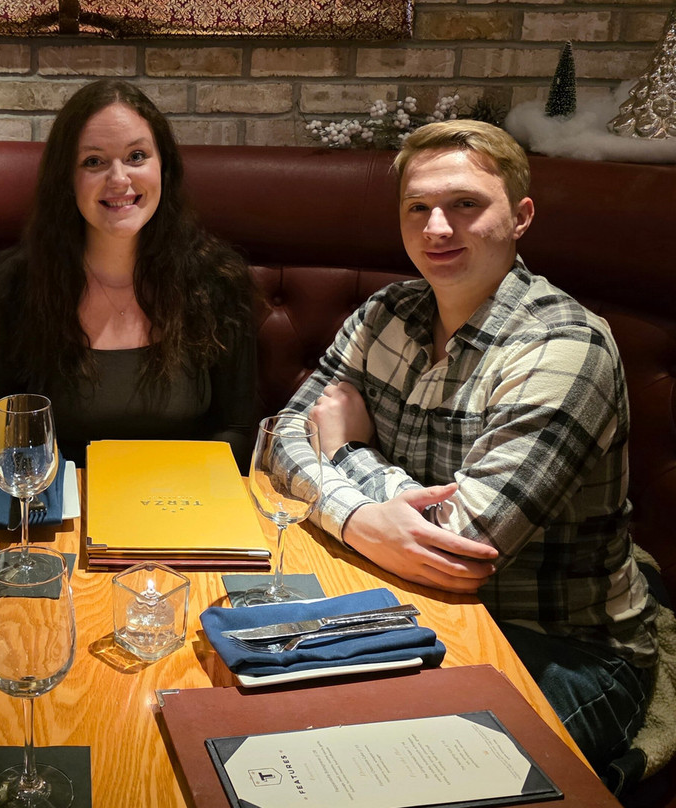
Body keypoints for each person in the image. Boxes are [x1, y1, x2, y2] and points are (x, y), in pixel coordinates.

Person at [278, 120, 659, 791]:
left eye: (464, 204)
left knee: (382, 776)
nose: (436, 228)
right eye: (417, 207)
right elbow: (280, 434)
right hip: (403, 604)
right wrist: (366, 518)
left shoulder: (564, 347)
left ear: (521, 217)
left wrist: (346, 450)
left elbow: (460, 549)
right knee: (277, 721)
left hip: (561, 646)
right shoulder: (383, 314)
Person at [0, 79, 257, 470]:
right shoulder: (20, 283)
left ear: (163, 167)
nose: (119, 179)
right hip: (62, 499)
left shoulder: (217, 280)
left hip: (181, 499)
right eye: (94, 161)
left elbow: (236, 430)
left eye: (136, 156)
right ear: (66, 179)